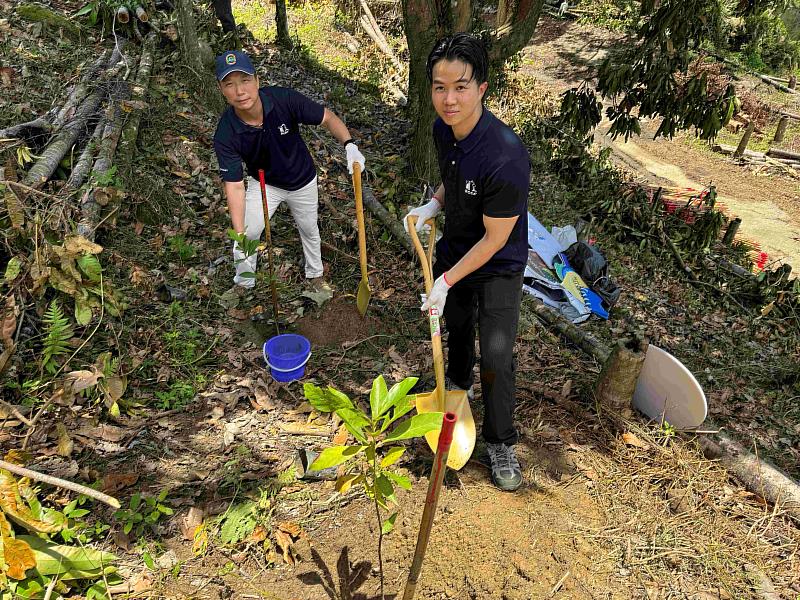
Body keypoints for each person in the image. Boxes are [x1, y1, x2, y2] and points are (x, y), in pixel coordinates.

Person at [404, 34, 531, 492]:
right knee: (456, 329)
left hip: (498, 264)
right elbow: (451, 178)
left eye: (460, 86)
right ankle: (455, 389)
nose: (449, 99)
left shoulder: (506, 156)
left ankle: (501, 442)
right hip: (456, 249)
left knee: (496, 354)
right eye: (440, 87)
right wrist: (433, 206)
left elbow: (497, 239)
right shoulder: (443, 129)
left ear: (482, 87)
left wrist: (446, 280)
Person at [212, 50, 365, 292]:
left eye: (245, 81)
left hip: (302, 179)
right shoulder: (226, 132)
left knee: (309, 229)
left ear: (257, 81)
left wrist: (349, 145)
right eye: (229, 84)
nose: (239, 91)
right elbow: (234, 184)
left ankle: (315, 276)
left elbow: (326, 117)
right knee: (246, 233)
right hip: (264, 183)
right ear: (221, 89)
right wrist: (239, 229)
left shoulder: (283, 99)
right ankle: (243, 283)